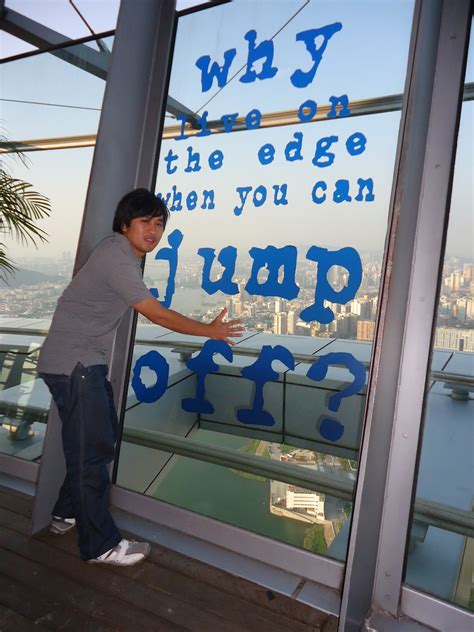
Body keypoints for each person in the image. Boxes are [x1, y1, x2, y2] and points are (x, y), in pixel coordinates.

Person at [38, 188, 243, 567]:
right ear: (125, 223)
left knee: (94, 444)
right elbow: (158, 315)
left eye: (159, 223)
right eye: (145, 221)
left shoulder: (120, 255)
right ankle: (99, 545)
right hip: (76, 364)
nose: (153, 229)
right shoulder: (118, 257)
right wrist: (210, 332)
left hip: (77, 363)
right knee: (91, 454)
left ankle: (66, 513)